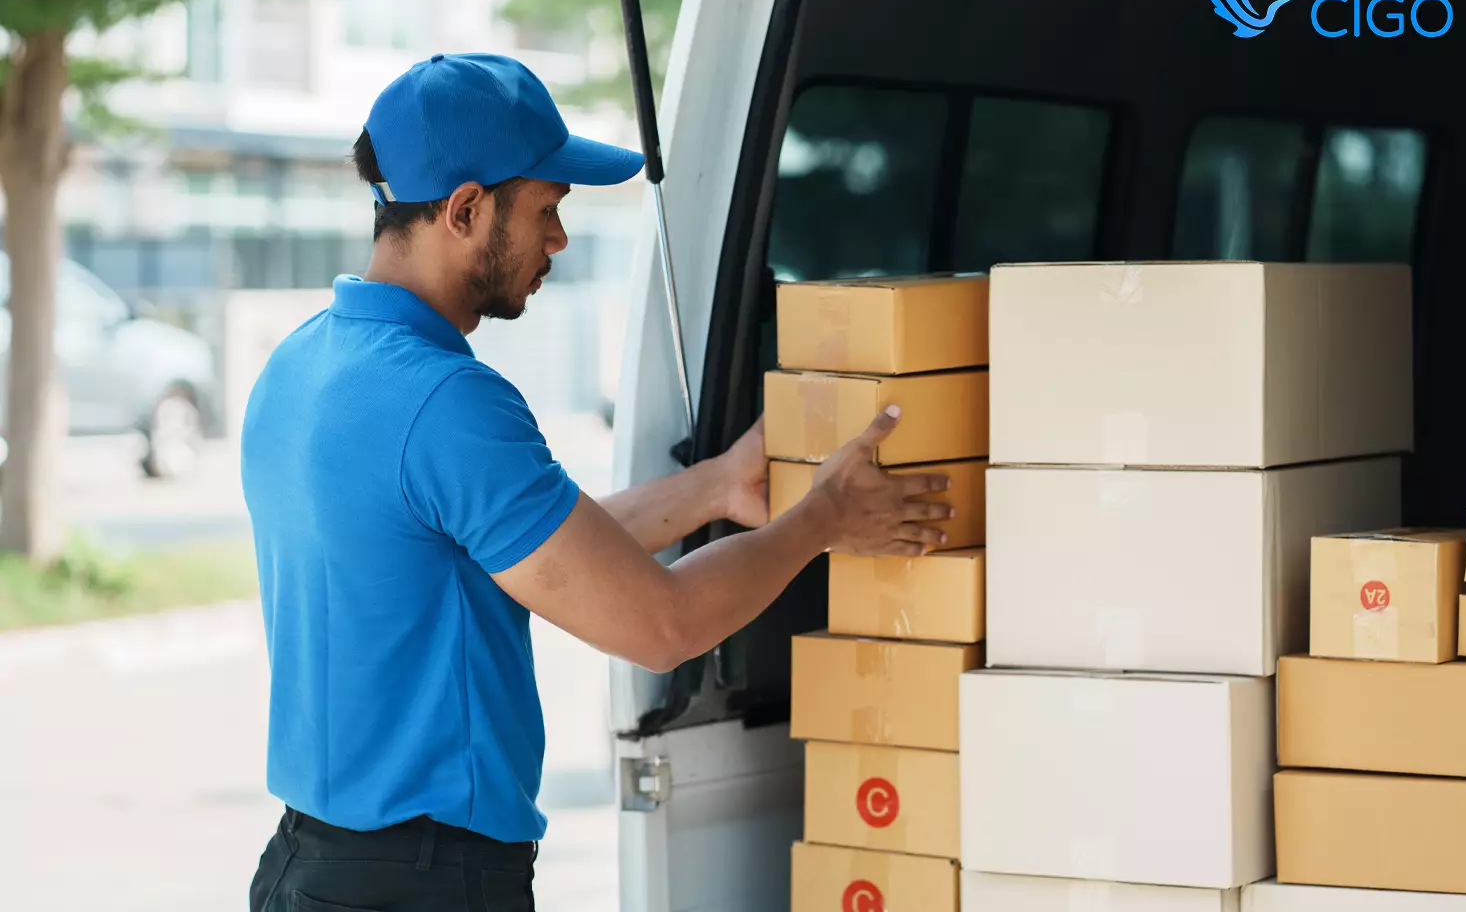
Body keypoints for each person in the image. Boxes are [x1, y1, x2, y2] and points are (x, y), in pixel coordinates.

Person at [242, 53, 953, 912]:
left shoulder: (305, 362)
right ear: (466, 209)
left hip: (306, 870)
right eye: (547, 207)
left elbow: (522, 549)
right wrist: (825, 517)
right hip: (424, 883)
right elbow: (661, 624)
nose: (559, 240)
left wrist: (718, 489)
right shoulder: (444, 399)